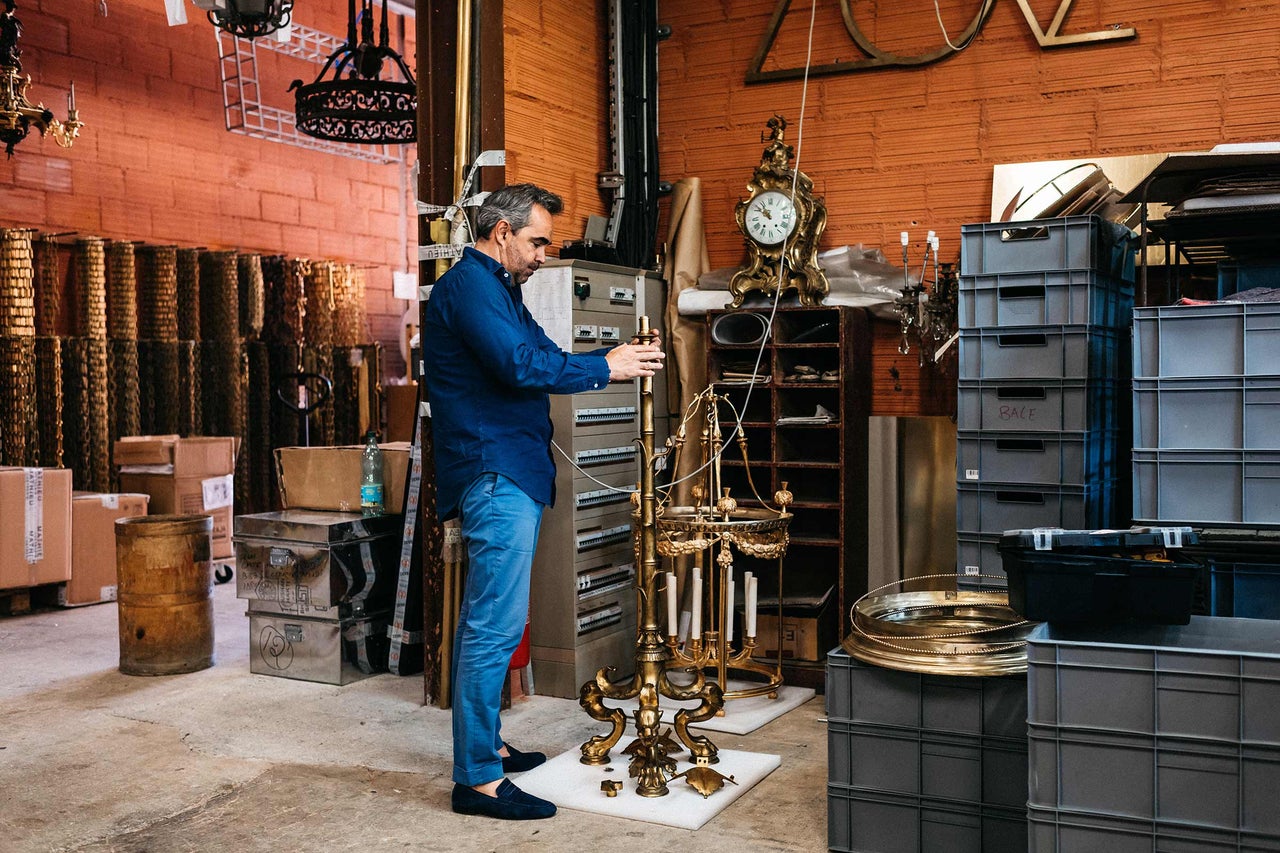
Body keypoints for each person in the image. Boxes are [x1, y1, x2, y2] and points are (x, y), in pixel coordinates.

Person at [421, 183, 665, 821]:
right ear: (500, 233)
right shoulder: (469, 288)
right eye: (535, 241)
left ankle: (489, 747)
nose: (542, 255)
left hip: (514, 470)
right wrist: (606, 367)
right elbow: (518, 366)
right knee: (490, 627)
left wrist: (616, 359)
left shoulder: (500, 291)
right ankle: (475, 780)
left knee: (500, 622)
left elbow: (544, 357)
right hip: (493, 471)